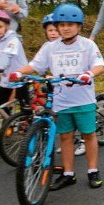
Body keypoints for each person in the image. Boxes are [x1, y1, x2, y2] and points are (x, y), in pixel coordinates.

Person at [10, 3, 104, 190]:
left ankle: (93, 170)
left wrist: (89, 75)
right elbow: (35, 65)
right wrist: (19, 72)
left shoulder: (87, 45)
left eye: (70, 24)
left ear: (78, 26)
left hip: (83, 100)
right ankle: (68, 173)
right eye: (61, 24)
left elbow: (99, 65)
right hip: (61, 101)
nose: (65, 28)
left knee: (88, 135)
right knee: (65, 137)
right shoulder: (50, 47)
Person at [42, 13, 86, 156]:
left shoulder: (77, 44)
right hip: (58, 88)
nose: (53, 34)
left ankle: (82, 141)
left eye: (55, 30)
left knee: (80, 121)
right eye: (51, 31)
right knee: (59, 116)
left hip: (77, 90)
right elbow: (38, 66)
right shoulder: (48, 47)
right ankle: (68, 140)